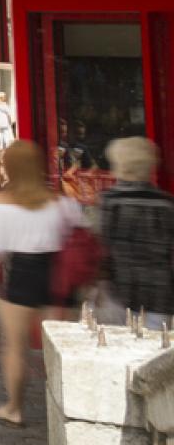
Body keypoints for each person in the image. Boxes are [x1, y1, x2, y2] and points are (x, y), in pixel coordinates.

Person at [0, 139, 81, 426]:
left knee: (15, 347)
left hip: (22, 274)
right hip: (59, 277)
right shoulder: (63, 204)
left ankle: (14, 408)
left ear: (8, 168)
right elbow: (81, 238)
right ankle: (73, 408)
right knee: (62, 348)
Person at [95, 137, 174, 329]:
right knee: (155, 353)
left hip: (119, 291)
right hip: (159, 292)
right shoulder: (166, 203)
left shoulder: (109, 201)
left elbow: (102, 249)